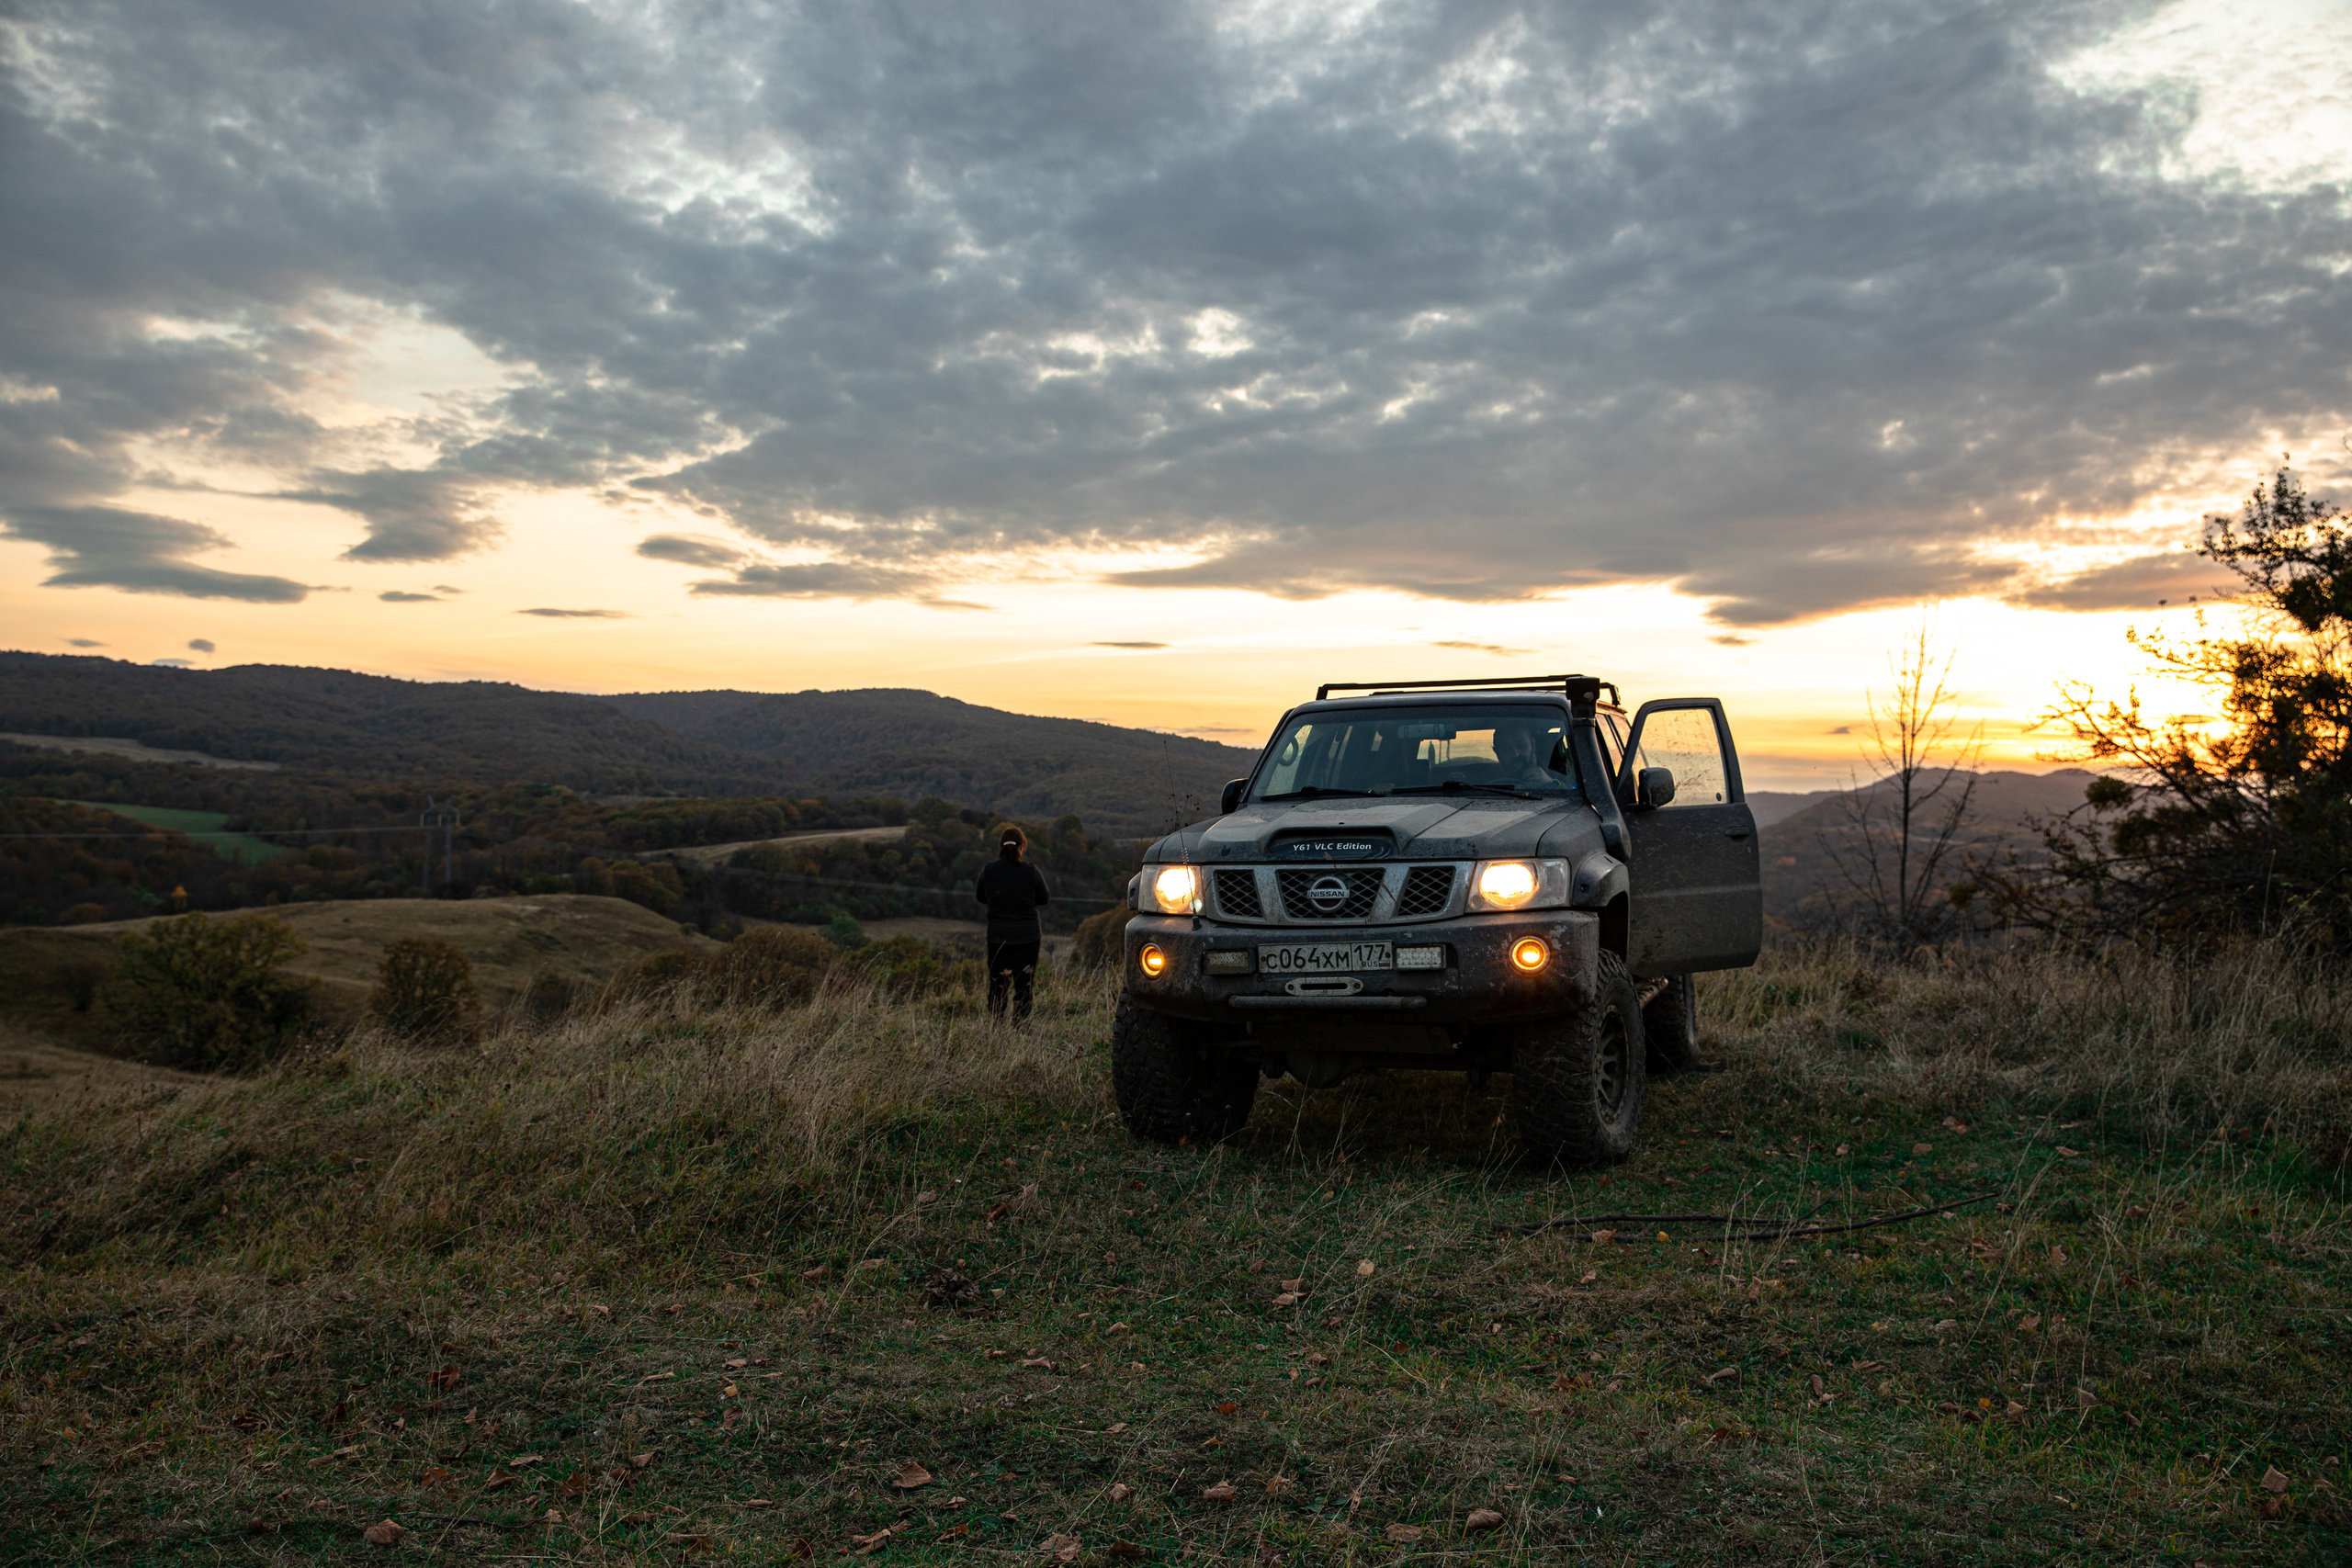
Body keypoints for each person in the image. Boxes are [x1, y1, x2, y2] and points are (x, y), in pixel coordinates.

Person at [976, 825, 1051, 1021]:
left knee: (997, 985)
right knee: (1024, 986)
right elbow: (1044, 898)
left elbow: (981, 897)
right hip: (1028, 937)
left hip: (997, 937)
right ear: (1022, 846)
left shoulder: (988, 871)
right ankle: (1021, 1031)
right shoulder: (1030, 871)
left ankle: (997, 1030)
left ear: (1000, 846)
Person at [1491, 722, 1562, 787]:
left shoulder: (1557, 772)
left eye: (1521, 746)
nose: (1515, 754)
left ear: (1533, 744)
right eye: (1506, 749)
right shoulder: (1483, 779)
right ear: (1497, 752)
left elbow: (1569, 792)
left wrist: (1550, 783)